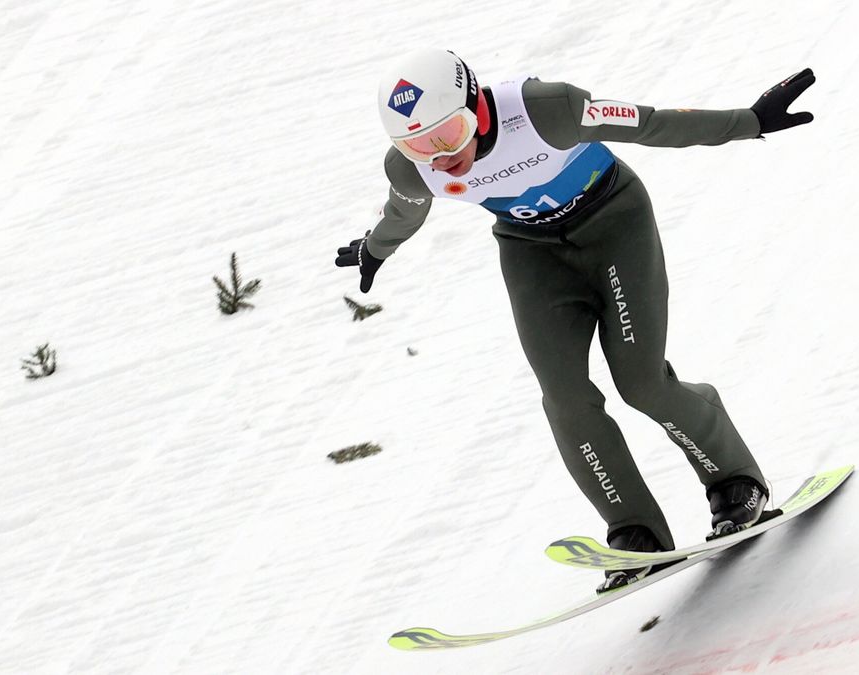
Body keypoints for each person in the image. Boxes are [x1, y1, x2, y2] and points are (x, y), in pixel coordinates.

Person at [337, 49, 815, 593]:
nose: (439, 159)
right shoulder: (411, 169)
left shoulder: (546, 109)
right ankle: (636, 532)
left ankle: (734, 481)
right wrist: (376, 249)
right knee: (564, 398)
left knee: (641, 383)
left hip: (616, 225)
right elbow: (405, 209)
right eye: (417, 146)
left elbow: (650, 124)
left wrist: (749, 122)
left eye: (447, 136)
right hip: (532, 253)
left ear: (479, 108)